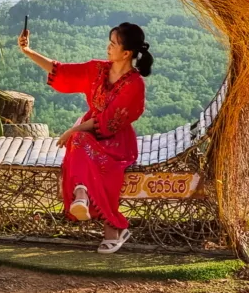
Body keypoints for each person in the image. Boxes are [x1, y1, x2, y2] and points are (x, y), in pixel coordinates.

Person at [17, 22, 152, 254]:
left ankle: (113, 225)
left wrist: (73, 130)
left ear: (127, 53)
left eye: (113, 44)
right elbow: (61, 70)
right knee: (79, 141)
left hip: (117, 141)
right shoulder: (97, 69)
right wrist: (28, 52)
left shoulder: (134, 84)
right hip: (87, 134)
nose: (108, 48)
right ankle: (83, 195)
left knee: (88, 150)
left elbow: (110, 121)